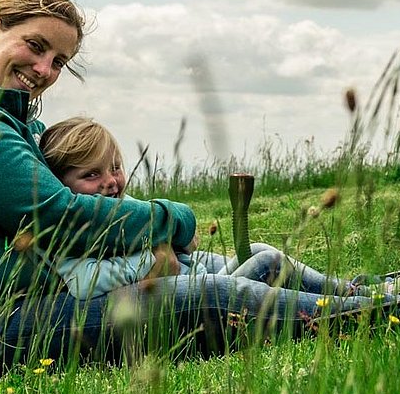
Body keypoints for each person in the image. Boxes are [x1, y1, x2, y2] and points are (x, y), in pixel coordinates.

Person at [0, 0, 395, 381]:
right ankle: (384, 314)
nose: (43, 69)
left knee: (250, 261)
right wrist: (172, 220)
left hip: (16, 307)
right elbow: (59, 218)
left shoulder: (9, 121)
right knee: (210, 294)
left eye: (58, 61)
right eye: (35, 47)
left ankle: (379, 291)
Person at [37, 115, 379, 302]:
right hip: (180, 295)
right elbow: (82, 284)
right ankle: (353, 306)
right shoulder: (68, 229)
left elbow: (170, 241)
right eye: (91, 175)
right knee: (265, 262)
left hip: (195, 272)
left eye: (115, 167)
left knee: (259, 251)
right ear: (62, 184)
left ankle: (355, 290)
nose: (110, 181)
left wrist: (173, 238)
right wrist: (150, 260)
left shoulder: (119, 206)